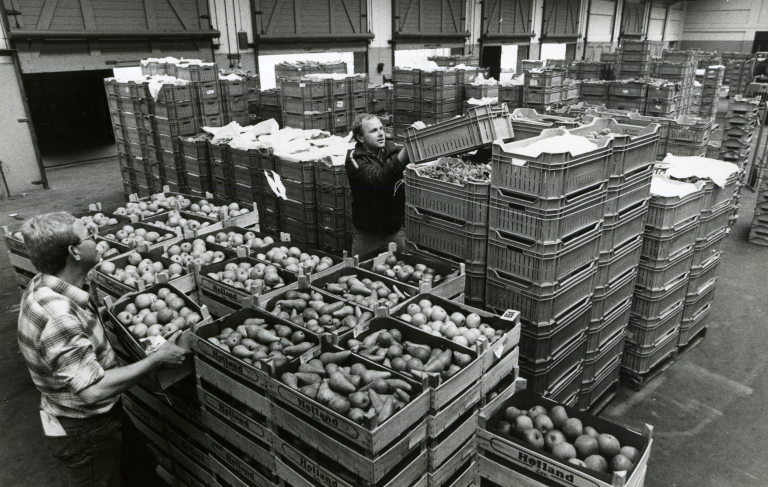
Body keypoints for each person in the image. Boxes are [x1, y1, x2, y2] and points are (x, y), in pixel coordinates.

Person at [17, 212, 191, 487]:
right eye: (88, 235)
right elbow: (92, 390)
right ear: (74, 251)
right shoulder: (58, 316)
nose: (96, 237)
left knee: (141, 469)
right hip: (84, 427)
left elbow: (68, 333)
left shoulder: (46, 284)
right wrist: (157, 360)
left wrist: (104, 313)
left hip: (100, 414)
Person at [345, 113, 424, 258]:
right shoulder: (354, 158)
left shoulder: (392, 150)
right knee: (363, 275)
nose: (381, 133)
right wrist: (407, 148)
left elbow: (422, 158)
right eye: (374, 131)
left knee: (400, 272)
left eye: (381, 128)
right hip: (367, 237)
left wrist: (419, 136)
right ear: (360, 137)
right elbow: (378, 179)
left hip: (395, 232)